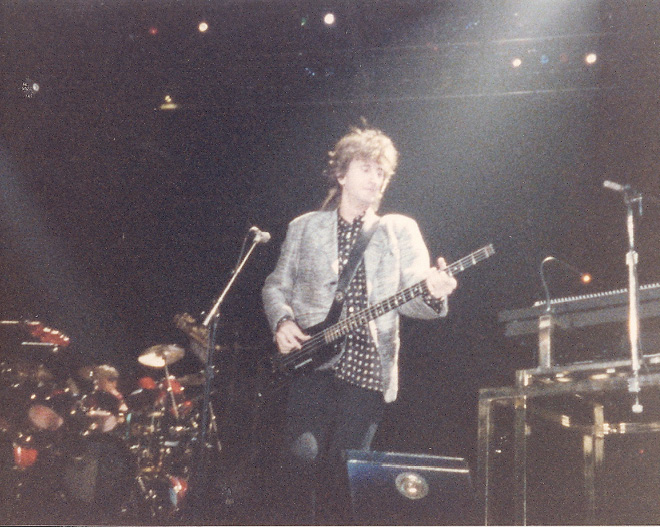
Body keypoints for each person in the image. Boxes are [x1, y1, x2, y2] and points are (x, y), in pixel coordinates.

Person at [261, 124, 458, 524]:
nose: (376, 178)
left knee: (346, 476)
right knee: (301, 460)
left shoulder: (399, 229)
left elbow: (415, 302)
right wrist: (282, 321)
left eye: (382, 172)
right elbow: (275, 285)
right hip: (312, 362)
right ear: (342, 174)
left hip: (368, 369)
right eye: (367, 168)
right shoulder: (305, 227)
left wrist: (435, 292)